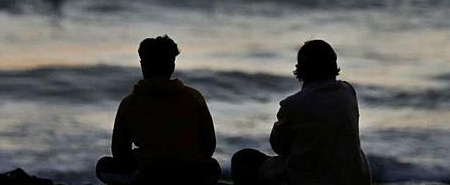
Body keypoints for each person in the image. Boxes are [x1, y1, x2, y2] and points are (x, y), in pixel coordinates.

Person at [231, 40, 371, 185]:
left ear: (301, 69)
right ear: (334, 66)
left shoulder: (293, 104)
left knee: (243, 159)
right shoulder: (348, 92)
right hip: (354, 177)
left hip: (311, 178)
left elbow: (279, 146)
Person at [96, 36, 220, 185]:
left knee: (104, 166)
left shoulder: (130, 103)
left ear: (143, 65)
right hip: (188, 174)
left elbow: (119, 152)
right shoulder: (193, 97)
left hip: (147, 174)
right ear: (172, 65)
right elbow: (209, 146)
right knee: (212, 166)